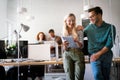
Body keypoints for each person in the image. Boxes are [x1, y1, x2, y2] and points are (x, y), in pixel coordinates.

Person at [78, 6, 116, 80]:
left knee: (106, 77)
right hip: (93, 55)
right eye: (89, 17)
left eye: (92, 16)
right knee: (97, 75)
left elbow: (109, 44)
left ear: (99, 15)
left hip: (106, 55)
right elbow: (78, 37)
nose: (90, 19)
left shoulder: (110, 28)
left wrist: (98, 54)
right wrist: (77, 29)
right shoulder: (89, 28)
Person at [62, 13, 85, 80]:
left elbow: (81, 46)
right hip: (67, 54)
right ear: (66, 21)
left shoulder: (79, 30)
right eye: (69, 20)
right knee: (69, 77)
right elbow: (64, 49)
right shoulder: (63, 32)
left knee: (79, 77)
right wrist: (65, 46)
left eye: (73, 20)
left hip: (78, 53)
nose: (71, 22)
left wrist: (77, 41)